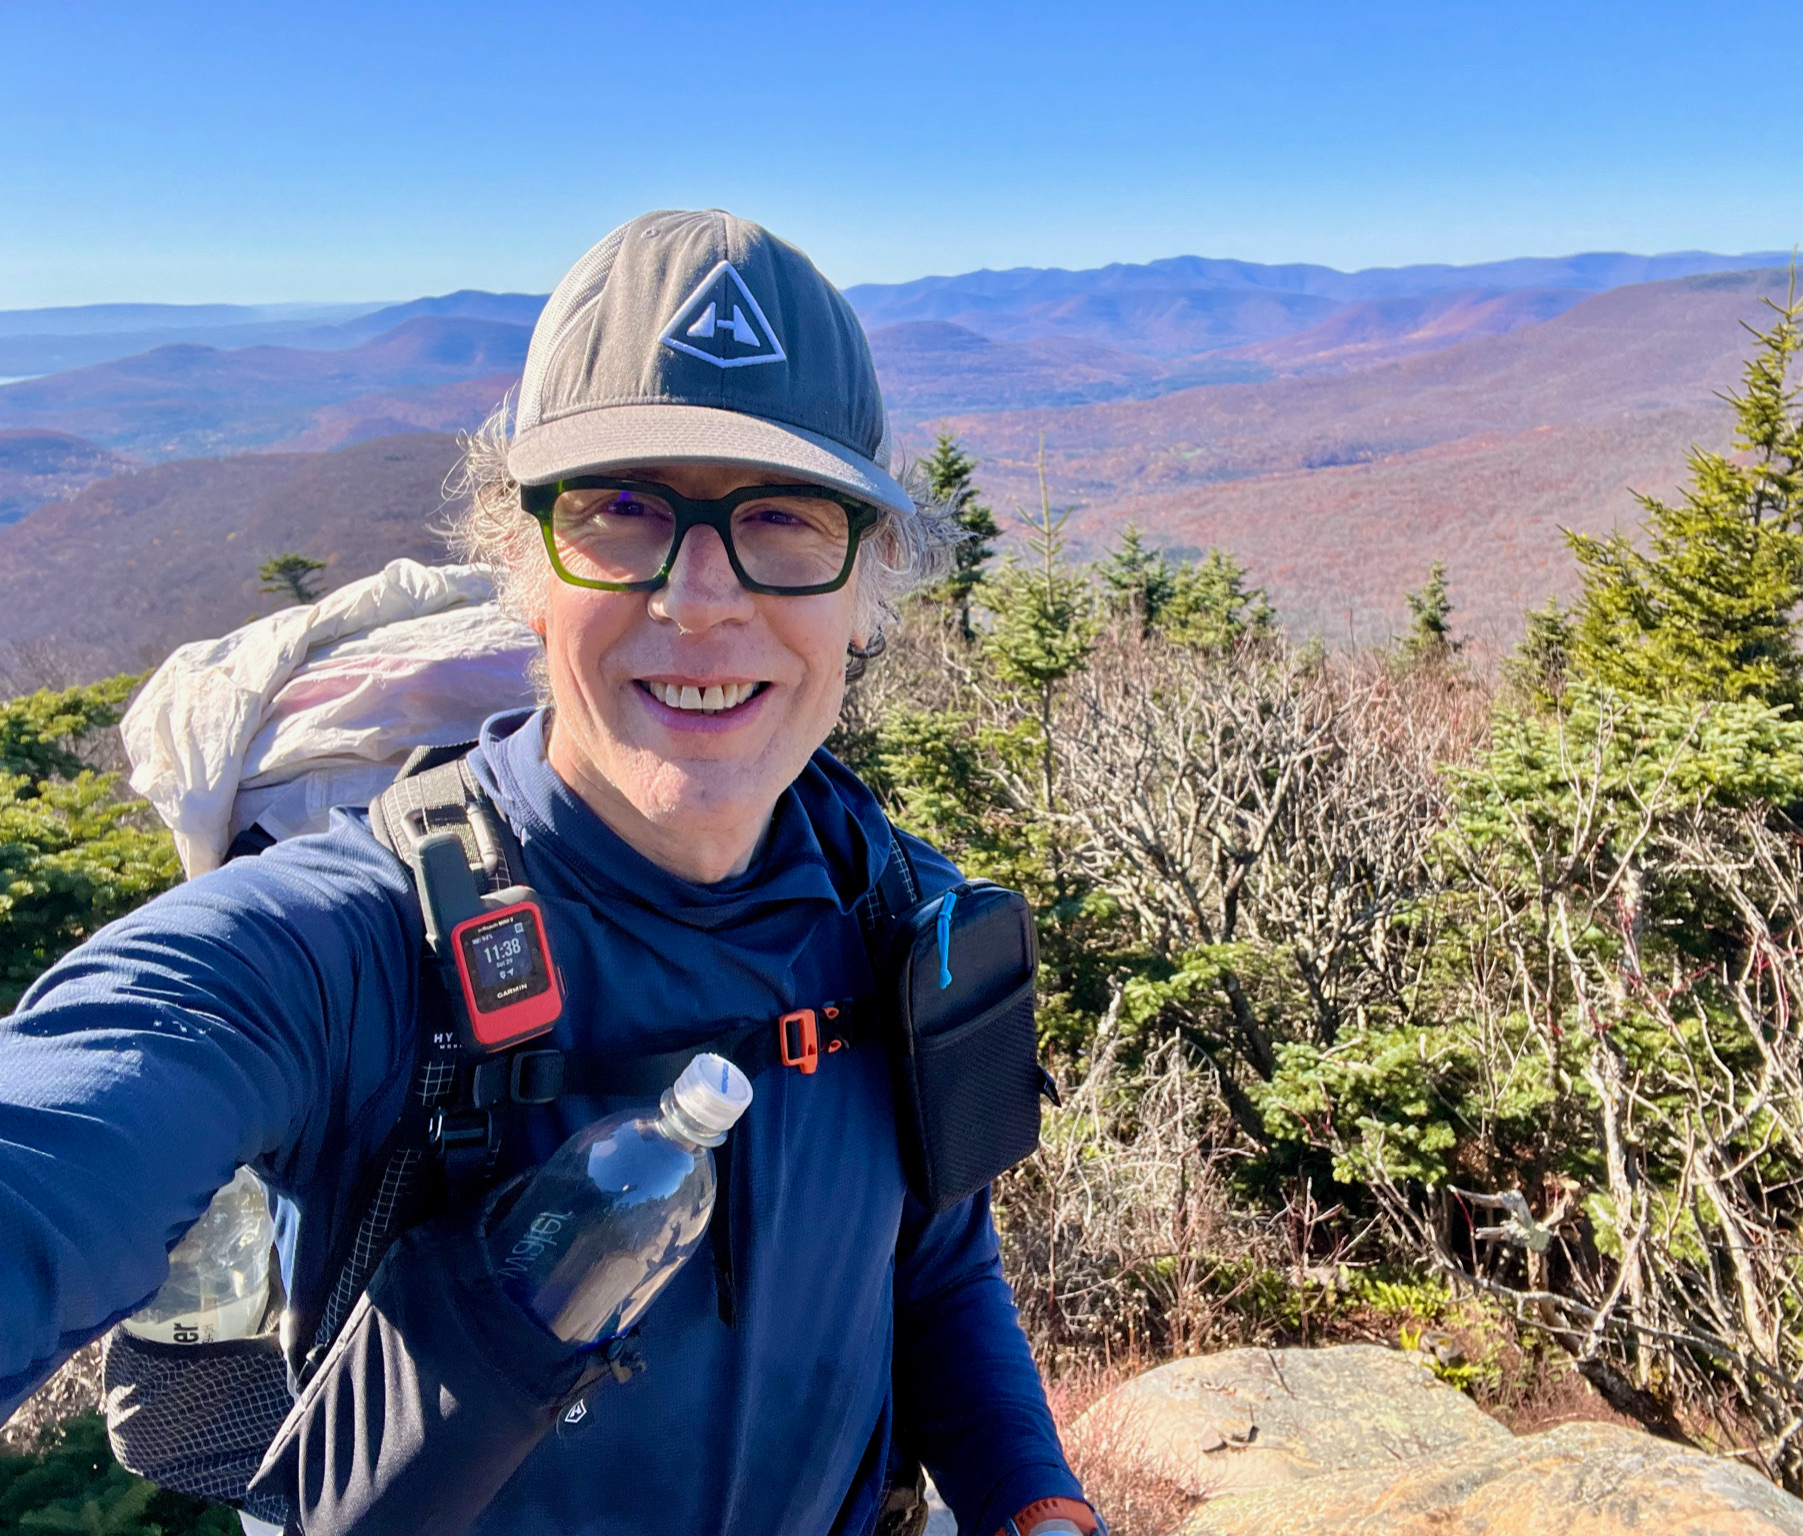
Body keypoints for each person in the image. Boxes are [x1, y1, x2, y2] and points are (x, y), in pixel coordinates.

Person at [0, 210, 1102, 1536]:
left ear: (870, 588)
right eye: (622, 513)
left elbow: (931, 1271)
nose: (700, 598)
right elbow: (69, 1120)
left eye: (787, 519)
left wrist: (1033, 1497)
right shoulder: (349, 949)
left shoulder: (901, 916)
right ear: (521, 565)